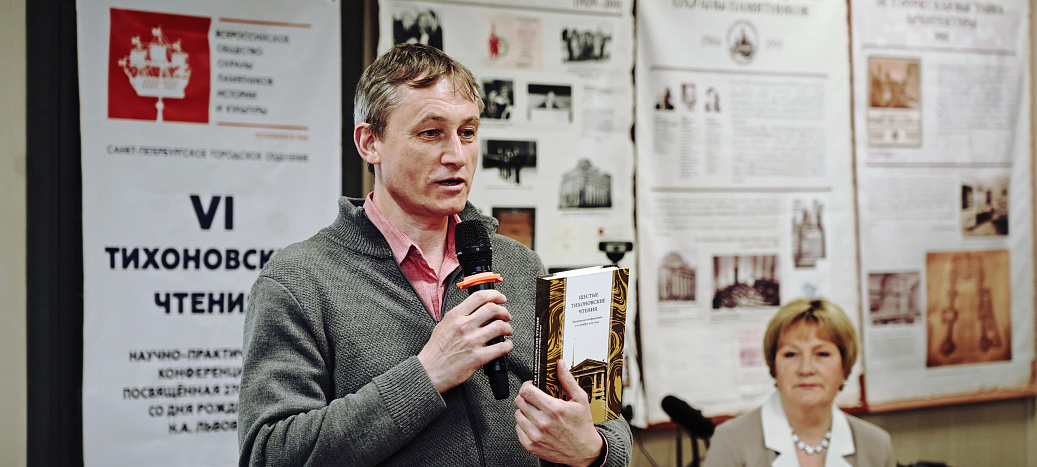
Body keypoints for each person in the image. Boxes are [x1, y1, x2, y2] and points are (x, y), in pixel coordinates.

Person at [237, 43, 631, 467]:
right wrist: (428, 374)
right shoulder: (298, 281)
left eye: (468, 132)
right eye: (431, 133)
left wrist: (594, 450)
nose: (457, 156)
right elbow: (269, 453)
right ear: (370, 142)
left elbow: (602, 419)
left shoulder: (520, 264)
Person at [703, 298, 895, 466]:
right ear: (774, 367)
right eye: (791, 354)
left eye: (822, 354)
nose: (806, 369)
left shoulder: (876, 445)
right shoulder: (731, 441)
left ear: (844, 366)